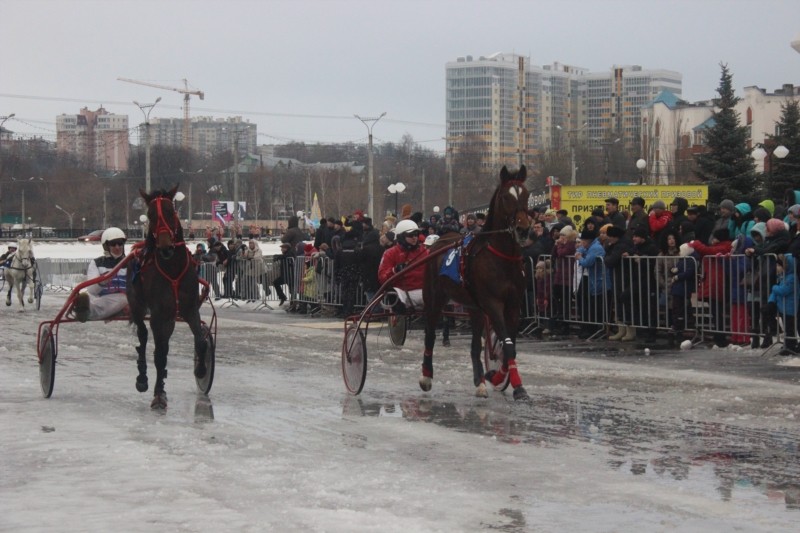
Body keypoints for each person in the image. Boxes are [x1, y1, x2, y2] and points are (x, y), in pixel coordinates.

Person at [72, 227, 129, 323]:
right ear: (106, 246)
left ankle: (89, 311)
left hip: (127, 299)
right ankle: (85, 311)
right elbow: (92, 290)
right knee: (93, 300)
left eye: (120, 243)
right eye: (113, 244)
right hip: (102, 299)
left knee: (125, 299)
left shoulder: (132, 262)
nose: (117, 247)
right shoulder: (97, 263)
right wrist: (102, 282)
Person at [378, 219, 429, 314]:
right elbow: (382, 277)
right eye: (410, 235)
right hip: (402, 293)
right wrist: (395, 270)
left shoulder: (425, 251)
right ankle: (399, 323)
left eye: (416, 234)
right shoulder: (390, 253)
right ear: (401, 237)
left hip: (424, 292)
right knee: (392, 293)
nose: (414, 238)